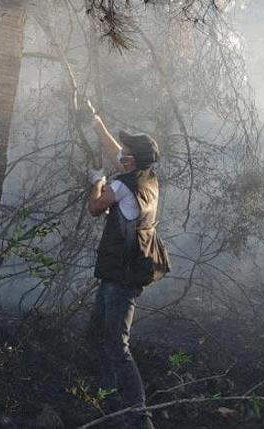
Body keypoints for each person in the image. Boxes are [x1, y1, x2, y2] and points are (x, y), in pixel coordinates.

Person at [86, 113, 168, 429]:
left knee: (116, 346)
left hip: (119, 275)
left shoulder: (120, 184)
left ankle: (138, 419)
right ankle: (113, 406)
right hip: (125, 273)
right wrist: (96, 123)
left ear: (132, 158)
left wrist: (97, 183)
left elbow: (96, 208)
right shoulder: (147, 179)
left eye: (127, 149)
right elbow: (115, 155)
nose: (122, 151)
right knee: (99, 337)